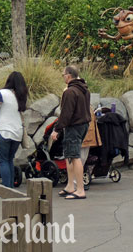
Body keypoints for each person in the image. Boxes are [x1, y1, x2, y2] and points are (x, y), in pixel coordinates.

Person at [52, 65, 91, 200]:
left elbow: (66, 113)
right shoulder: (84, 89)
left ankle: (80, 189)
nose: (63, 76)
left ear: (68, 76)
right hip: (83, 124)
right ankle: (70, 185)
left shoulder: (70, 92)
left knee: (74, 156)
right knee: (69, 155)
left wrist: (56, 129)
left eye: (63, 74)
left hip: (74, 126)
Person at [0, 72, 28, 188]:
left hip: (4, 131)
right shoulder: (21, 96)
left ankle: (6, 189)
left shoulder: (2, 93)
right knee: (9, 160)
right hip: (17, 133)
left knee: (3, 161)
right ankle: (10, 188)